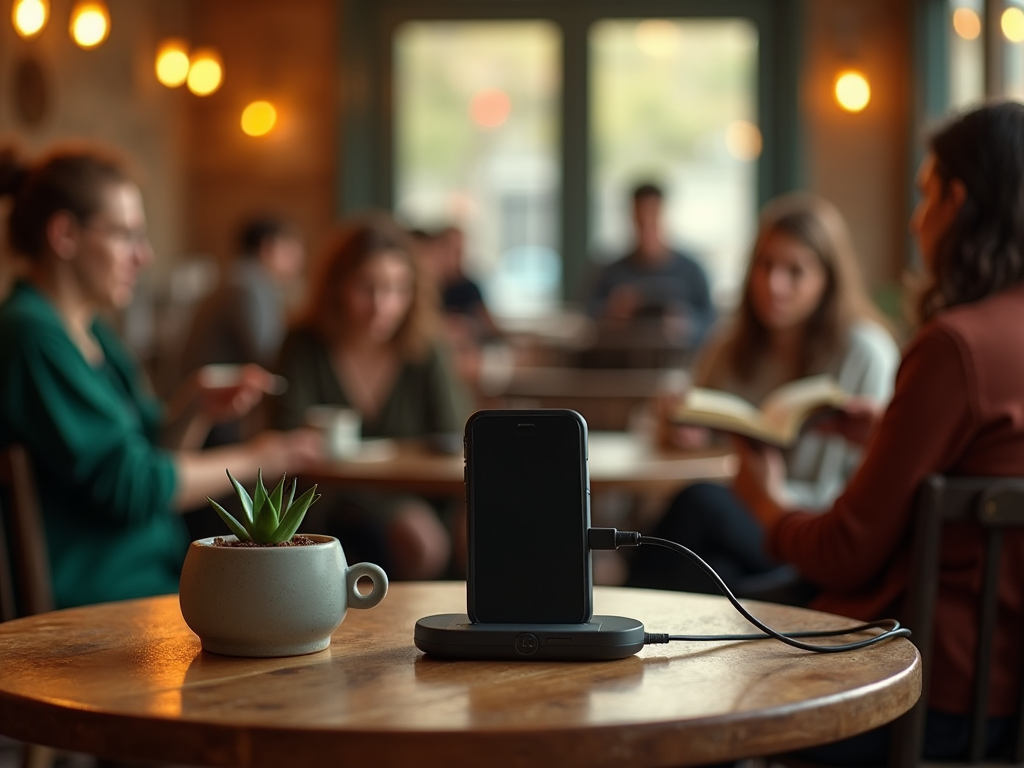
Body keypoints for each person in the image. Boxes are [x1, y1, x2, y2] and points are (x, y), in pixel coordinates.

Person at [734, 102, 1024, 762]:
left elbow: (844, 551)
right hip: (1005, 693)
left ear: (960, 200)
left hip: (917, 684)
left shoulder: (956, 346)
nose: (917, 221)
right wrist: (888, 434)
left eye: (925, 196)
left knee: (716, 664)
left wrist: (762, 500)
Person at [0, 144, 322, 609]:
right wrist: (262, 457)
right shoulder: (32, 336)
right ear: (64, 234)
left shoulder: (92, 335)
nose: (144, 256)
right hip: (97, 601)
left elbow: (154, 450)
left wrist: (195, 404)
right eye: (127, 235)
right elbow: (133, 485)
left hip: (151, 583)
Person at [627, 192, 900, 597]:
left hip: (812, 525)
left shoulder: (865, 352)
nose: (774, 285)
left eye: (795, 271)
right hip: (750, 521)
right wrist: (677, 425)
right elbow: (674, 421)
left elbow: (873, 489)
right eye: (765, 265)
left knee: (697, 506)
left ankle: (614, 625)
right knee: (705, 568)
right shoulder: (731, 344)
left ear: (828, 280)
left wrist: (776, 495)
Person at [271, 212, 471, 580]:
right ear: (337, 287)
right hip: (326, 500)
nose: (383, 304)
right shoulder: (304, 344)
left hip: (418, 495)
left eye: (397, 288)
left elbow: (455, 434)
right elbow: (284, 433)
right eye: (367, 287)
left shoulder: (426, 347)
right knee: (419, 539)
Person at [179, 215, 306, 445]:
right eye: (291, 247)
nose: (299, 257)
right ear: (269, 247)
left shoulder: (242, 280)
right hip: (216, 412)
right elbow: (268, 355)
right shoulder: (247, 287)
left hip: (216, 406)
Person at [586, 182, 716, 350]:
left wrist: (687, 324)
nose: (647, 229)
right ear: (632, 218)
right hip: (622, 366)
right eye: (641, 220)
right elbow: (585, 319)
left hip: (679, 365)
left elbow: (712, 325)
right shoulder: (610, 272)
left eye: (653, 219)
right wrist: (610, 312)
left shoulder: (692, 271)